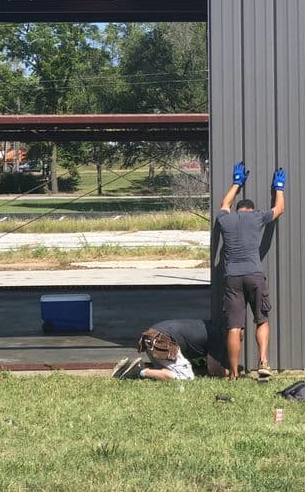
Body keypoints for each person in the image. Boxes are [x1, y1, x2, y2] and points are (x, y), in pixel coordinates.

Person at [217, 160, 285, 381]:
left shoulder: (226, 219)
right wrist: (279, 188)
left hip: (232, 278)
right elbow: (279, 209)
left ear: (237, 210)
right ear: (251, 210)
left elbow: (224, 203)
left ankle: (234, 373)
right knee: (261, 319)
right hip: (254, 275)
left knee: (234, 326)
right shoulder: (256, 217)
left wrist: (236, 183)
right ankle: (263, 362)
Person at [111, 318, 227, 381]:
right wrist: (232, 371)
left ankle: (126, 369)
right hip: (161, 340)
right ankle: (138, 371)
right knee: (186, 377)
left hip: (152, 337)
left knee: (172, 372)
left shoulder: (212, 326)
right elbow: (214, 370)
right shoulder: (218, 335)